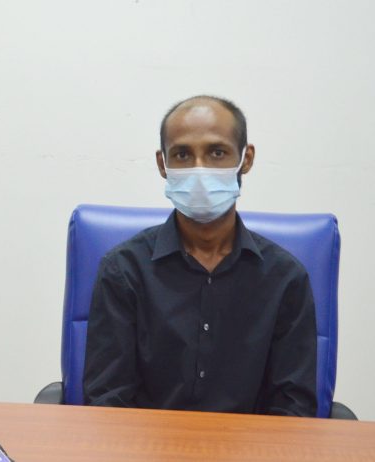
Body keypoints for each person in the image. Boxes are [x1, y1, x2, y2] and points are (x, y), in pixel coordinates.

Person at [83, 95, 317, 416]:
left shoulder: (286, 278)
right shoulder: (123, 270)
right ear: (162, 164)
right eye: (182, 154)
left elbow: (294, 408)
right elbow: (108, 401)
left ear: (246, 159)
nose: (199, 169)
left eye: (216, 153)